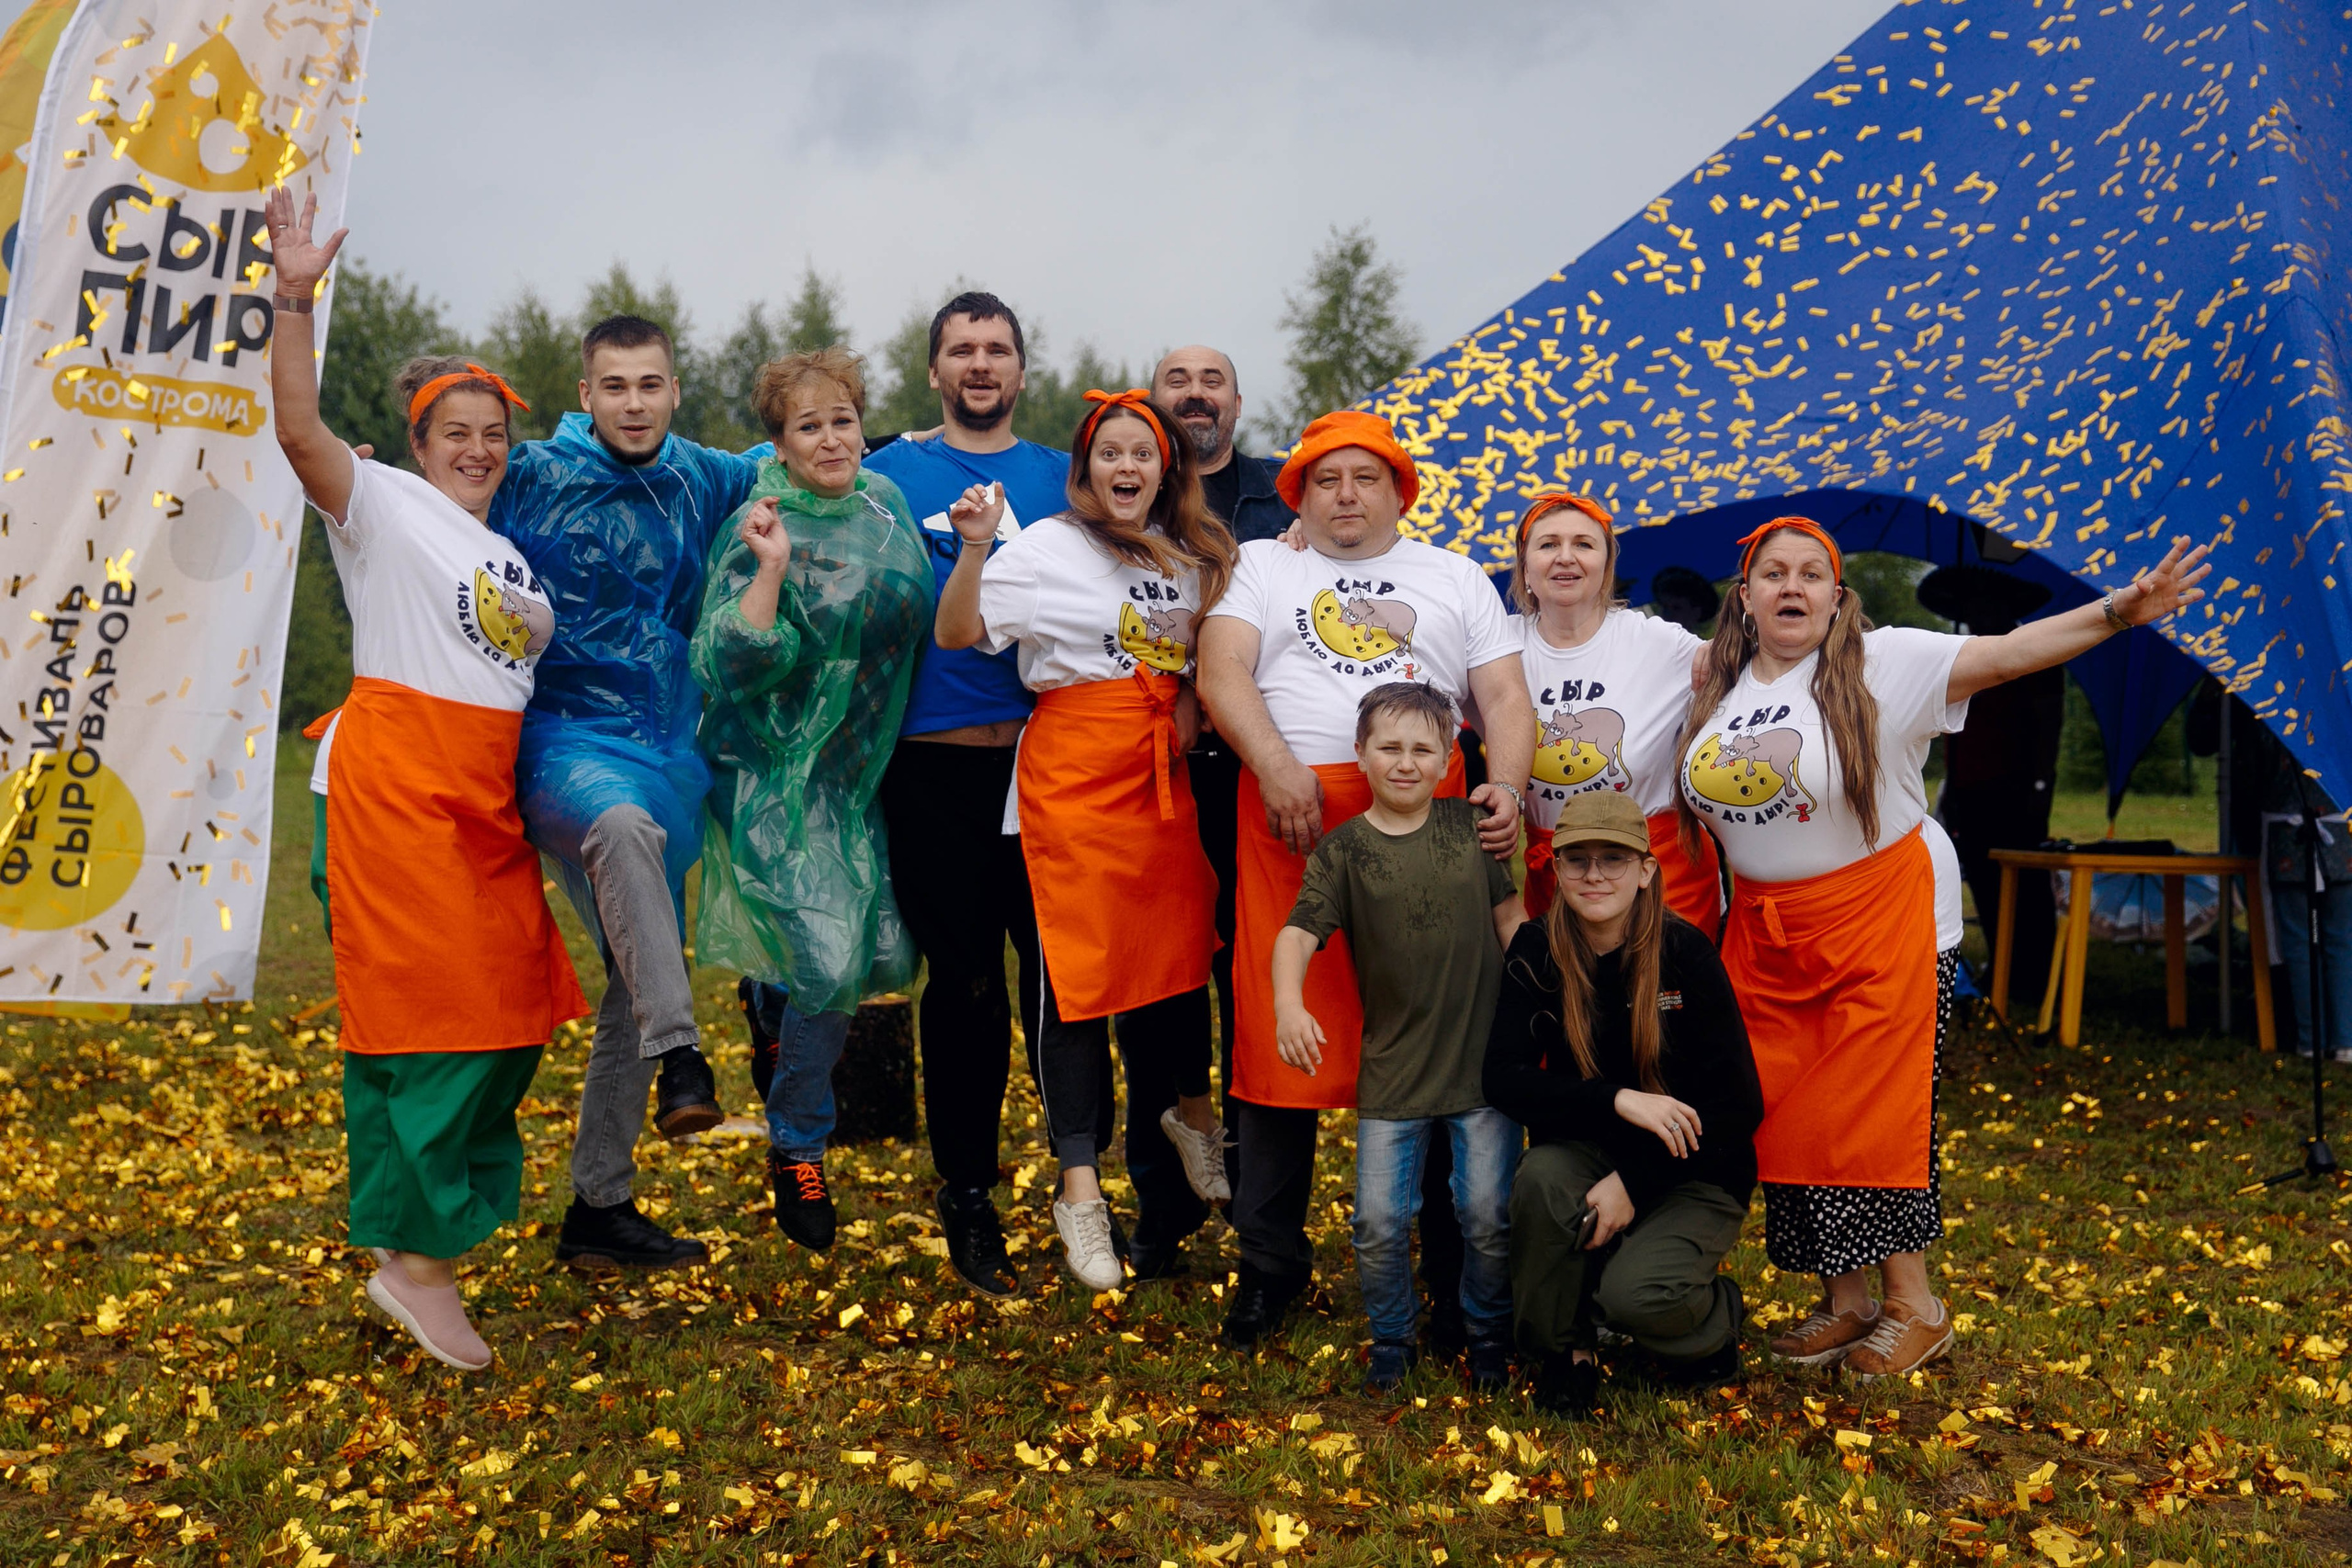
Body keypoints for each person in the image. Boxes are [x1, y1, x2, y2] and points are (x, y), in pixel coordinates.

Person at [1677, 518, 2209, 1377]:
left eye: (1812, 573)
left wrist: (2117, 611)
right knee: (1786, 1110)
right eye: (1772, 573)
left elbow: (2010, 653)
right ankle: (1846, 1303)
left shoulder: (1884, 664)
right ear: (1744, 596)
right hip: (1771, 934)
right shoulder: (1715, 683)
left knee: (1872, 1112)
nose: (1791, 587)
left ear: (1837, 595)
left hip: (1883, 916)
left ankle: (1915, 1305)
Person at [266, 189, 588, 1370]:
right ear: (416, 442)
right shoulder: (381, 506)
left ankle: (419, 1245)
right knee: (425, 1020)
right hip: (395, 787)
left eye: (492, 431)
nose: (478, 445)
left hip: (482, 799)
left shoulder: (504, 552)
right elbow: (299, 431)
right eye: (455, 429)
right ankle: (413, 1264)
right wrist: (295, 296)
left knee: (511, 1016)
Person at [1195, 409, 1536, 1349]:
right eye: (1325, 479)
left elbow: (1503, 695)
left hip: (1429, 819)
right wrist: (1272, 765)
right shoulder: (1267, 567)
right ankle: (1268, 1267)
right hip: (1291, 817)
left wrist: (1502, 782)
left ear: (1399, 489)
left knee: (1433, 1029)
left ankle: (1447, 1271)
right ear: (1297, 492)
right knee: (1274, 1038)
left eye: (1364, 478)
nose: (1344, 495)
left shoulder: (1453, 574)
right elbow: (1220, 672)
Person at [933, 389, 1237, 1287]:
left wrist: (1183, 705)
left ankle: (1193, 1115)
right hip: (1069, 787)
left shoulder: (1192, 557)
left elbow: (1201, 655)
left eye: (1143, 453)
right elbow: (957, 632)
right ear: (1086, 466)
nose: (1127, 467)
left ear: (1166, 467)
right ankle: (1081, 1193)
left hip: (1157, 784)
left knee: (1180, 958)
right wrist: (978, 549)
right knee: (1073, 986)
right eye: (1111, 452)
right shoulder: (1045, 550)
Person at [489, 316, 764, 1273]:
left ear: (675, 390)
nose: (634, 403)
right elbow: (438, 493)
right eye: (615, 386)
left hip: (667, 746)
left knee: (628, 976)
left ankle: (598, 1207)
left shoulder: (701, 473)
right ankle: (683, 1055)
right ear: (586, 391)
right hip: (561, 744)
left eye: (649, 385)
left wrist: (903, 449)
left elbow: (806, 452)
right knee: (618, 830)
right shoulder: (531, 474)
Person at [690, 349, 933, 1250]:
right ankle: (797, 1147)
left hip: (855, 771)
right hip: (767, 776)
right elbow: (725, 657)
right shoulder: (761, 518)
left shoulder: (886, 504)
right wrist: (770, 572)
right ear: (778, 443)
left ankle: (768, 998)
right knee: (830, 962)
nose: (830, 439)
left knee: (883, 953)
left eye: (842, 420)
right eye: (807, 426)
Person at [862, 293, 1069, 1299]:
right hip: (931, 765)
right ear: (934, 370)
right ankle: (968, 1194)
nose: (979, 365)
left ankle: (1082, 1182)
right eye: (961, 351)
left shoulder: (1062, 480)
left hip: (1049, 766)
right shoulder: (888, 474)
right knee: (967, 983)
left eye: (996, 350)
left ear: (1022, 371)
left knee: (1059, 980)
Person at [1273, 683, 1524, 1393]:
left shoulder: (1470, 832)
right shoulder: (1343, 852)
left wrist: (1542, 1002)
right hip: (1391, 1075)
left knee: (1486, 1214)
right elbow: (1296, 934)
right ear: (1360, 755)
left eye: (1423, 749)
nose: (1405, 762)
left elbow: (1513, 924)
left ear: (1450, 757)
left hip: (1483, 1071)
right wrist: (1289, 1004)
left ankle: (1485, 1334)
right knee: (1380, 1222)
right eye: (1389, 747)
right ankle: (1393, 1337)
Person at [1486, 791, 1763, 1416]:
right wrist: (1618, 1100)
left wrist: (1634, 1182)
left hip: (1695, 1166)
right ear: (1554, 869)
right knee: (1541, 1178)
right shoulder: (1537, 947)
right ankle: (1566, 1350)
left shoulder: (1684, 952)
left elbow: (1737, 1105)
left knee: (1639, 1298)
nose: (1594, 875)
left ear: (1646, 869)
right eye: (1577, 859)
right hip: (1590, 1148)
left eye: (1613, 859)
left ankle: (1716, 1319)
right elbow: (1502, 1078)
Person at [1150, 345, 1297, 1198]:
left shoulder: (1287, 492)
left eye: (1212, 382)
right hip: (1153, 762)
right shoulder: (1121, 487)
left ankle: (1254, 1180)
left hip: (1255, 763)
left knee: (1249, 964)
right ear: (1153, 398)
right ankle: (1169, 1188)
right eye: (1179, 381)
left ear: (1238, 401)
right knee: (1163, 968)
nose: (1196, 395)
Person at [1510, 493, 1720, 930]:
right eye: (1548, 545)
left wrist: (1725, 650)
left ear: (1606, 566)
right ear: (1524, 565)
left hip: (1661, 876)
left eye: (1584, 545)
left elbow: (1765, 672)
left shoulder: (1660, 643)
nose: (1565, 558)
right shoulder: (1495, 648)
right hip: (1558, 875)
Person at [1918, 566, 2064, 1002]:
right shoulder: (1961, 657)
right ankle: (2003, 969)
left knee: (2026, 885)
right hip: (1970, 792)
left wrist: (2041, 787)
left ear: (2006, 608)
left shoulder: (2036, 655)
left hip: (2017, 792)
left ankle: (2037, 976)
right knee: (1983, 880)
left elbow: (2048, 726)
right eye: (1970, 605)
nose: (1978, 613)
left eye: (1987, 603)